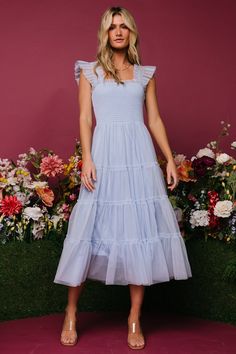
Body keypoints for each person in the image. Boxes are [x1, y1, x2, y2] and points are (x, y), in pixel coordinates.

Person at [54, 6, 192, 350]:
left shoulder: (145, 74)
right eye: (112, 26)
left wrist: (168, 159)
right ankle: (71, 311)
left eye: (123, 26)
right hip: (104, 157)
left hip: (139, 158)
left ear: (131, 32)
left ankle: (134, 317)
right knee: (87, 231)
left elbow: (155, 120)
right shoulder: (89, 72)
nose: (118, 31)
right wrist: (87, 158)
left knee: (138, 232)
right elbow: (85, 119)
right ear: (104, 32)